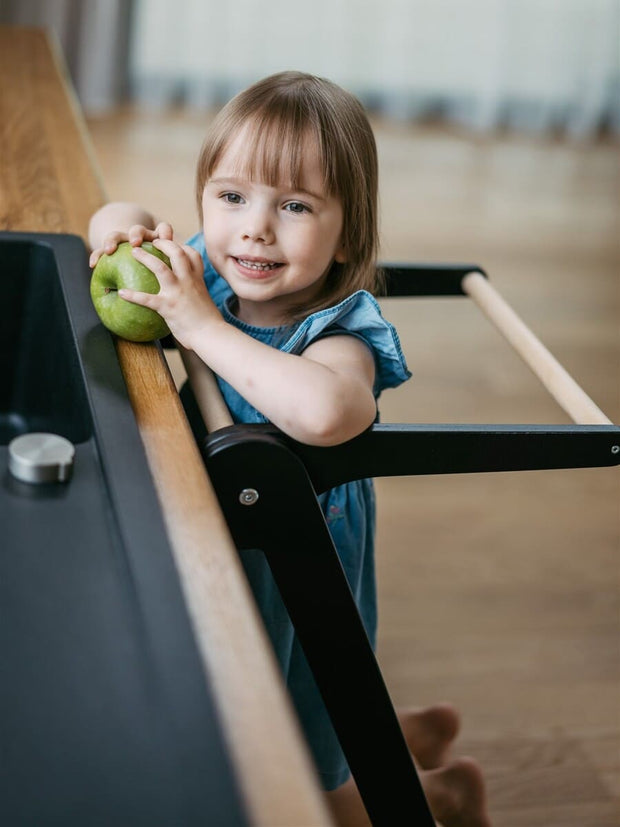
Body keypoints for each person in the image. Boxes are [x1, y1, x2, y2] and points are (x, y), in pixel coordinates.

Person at [89, 71, 490, 826]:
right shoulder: (212, 263)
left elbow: (328, 409)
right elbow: (124, 211)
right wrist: (119, 231)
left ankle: (439, 794)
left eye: (296, 205)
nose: (254, 229)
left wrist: (201, 327)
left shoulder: (340, 330)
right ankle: (415, 737)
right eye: (232, 195)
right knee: (300, 706)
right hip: (226, 519)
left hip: (295, 550)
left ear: (347, 236)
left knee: (283, 754)